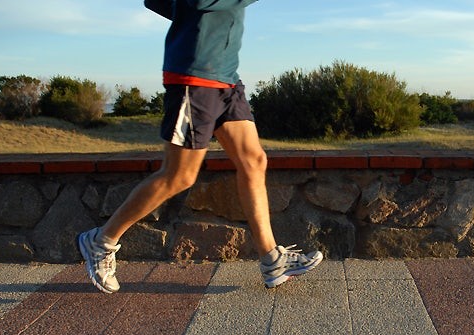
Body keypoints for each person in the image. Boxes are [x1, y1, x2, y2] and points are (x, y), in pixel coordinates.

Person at [78, 0, 322, 294]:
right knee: (179, 175)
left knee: (254, 161)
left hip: (226, 79)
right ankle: (101, 241)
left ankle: (272, 260)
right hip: (194, 78)